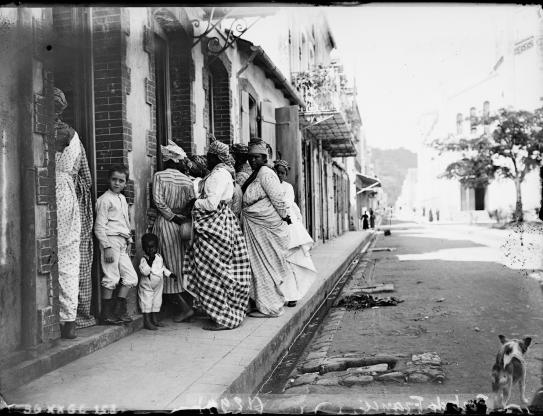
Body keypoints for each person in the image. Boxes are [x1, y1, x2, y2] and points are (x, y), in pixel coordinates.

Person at [182, 139, 252, 330]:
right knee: (220, 271)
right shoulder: (224, 174)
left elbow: (212, 204)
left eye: (209, 155)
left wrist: (195, 203)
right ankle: (222, 313)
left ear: (215, 157)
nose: (207, 158)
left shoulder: (217, 175)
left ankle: (222, 317)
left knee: (213, 271)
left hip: (214, 225)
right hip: (223, 223)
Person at [242, 139, 291, 318]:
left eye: (256, 157)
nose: (252, 161)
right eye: (250, 158)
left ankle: (271, 307)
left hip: (266, 227)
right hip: (255, 227)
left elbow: (278, 198)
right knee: (257, 267)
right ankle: (262, 304)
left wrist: (285, 217)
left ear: (264, 158)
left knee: (266, 267)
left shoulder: (266, 174)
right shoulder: (255, 173)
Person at [152, 141, 195, 323]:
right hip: (183, 227)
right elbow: (192, 203)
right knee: (180, 264)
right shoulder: (187, 180)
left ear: (168, 161)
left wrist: (171, 216)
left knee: (165, 265)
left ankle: (183, 308)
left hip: (166, 224)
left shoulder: (159, 176)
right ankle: (185, 305)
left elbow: (158, 202)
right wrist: (182, 216)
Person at [94, 165, 138, 325]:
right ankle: (106, 314)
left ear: (126, 183)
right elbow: (99, 226)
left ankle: (118, 310)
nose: (117, 183)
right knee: (111, 277)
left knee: (131, 277)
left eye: (121, 181)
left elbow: (125, 223)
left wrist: (129, 241)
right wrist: (106, 247)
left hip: (122, 241)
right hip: (110, 241)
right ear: (108, 180)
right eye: (114, 179)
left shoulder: (122, 199)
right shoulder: (104, 200)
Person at [274, 159, 316, 308]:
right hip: (276, 225)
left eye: (282, 173)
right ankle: (284, 294)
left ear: (286, 174)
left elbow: (286, 203)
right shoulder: (271, 185)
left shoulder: (288, 187)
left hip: (289, 225)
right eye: (277, 172)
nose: (279, 175)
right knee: (281, 262)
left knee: (293, 262)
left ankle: (293, 295)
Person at [55, 114, 82, 339]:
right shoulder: (74, 135)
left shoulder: (47, 130)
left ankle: (58, 317)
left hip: (49, 189)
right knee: (69, 257)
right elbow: (76, 168)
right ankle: (69, 319)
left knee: (53, 254)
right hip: (66, 191)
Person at [138, 233, 177, 330]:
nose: (150, 250)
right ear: (143, 248)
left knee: (156, 301)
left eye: (153, 247)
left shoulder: (159, 257)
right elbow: (144, 271)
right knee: (147, 302)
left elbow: (162, 268)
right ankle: (147, 321)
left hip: (158, 285)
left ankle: (155, 320)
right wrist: (149, 262)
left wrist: (170, 274)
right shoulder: (144, 260)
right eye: (147, 247)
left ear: (157, 247)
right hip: (147, 286)